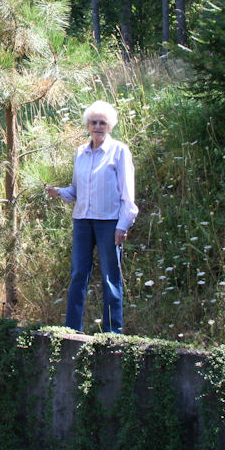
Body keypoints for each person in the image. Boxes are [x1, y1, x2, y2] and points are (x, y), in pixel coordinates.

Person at [46, 100, 138, 334]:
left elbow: (128, 194)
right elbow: (75, 191)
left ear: (110, 126)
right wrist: (59, 192)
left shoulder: (119, 151)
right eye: (94, 122)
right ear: (88, 125)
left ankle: (112, 333)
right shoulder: (81, 152)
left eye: (102, 123)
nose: (98, 126)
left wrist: (123, 225)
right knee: (78, 275)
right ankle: (71, 330)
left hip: (109, 223)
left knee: (110, 276)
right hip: (83, 222)